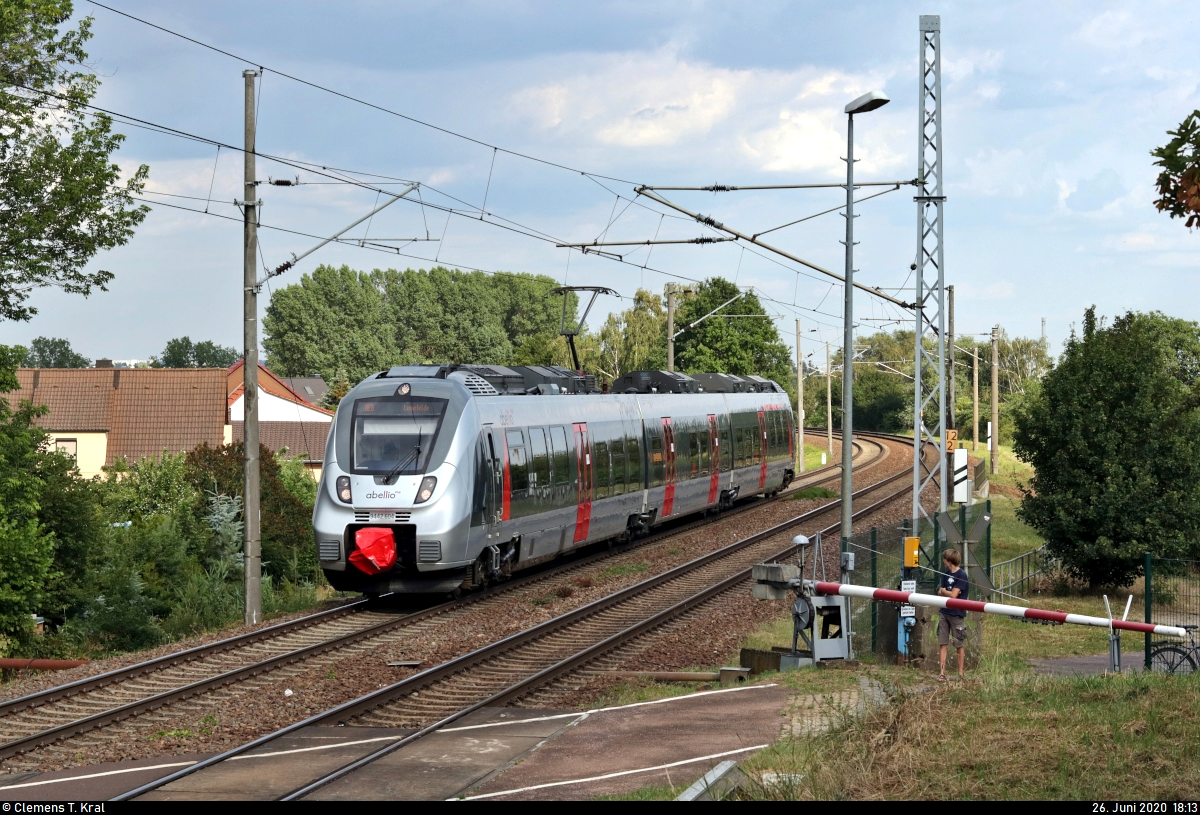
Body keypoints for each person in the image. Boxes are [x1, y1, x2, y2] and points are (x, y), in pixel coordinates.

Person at [936, 549, 969, 681]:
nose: (943, 561)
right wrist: (945, 592)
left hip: (957, 613)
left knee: (958, 644)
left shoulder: (962, 575)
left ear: (949, 561)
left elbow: (954, 595)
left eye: (945, 559)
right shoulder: (945, 573)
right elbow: (940, 591)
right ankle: (942, 673)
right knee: (943, 643)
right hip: (944, 611)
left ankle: (960, 673)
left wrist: (945, 591)